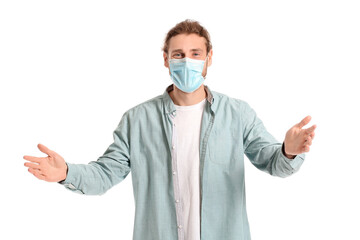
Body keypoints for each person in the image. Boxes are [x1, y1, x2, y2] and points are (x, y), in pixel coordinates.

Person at [23, 19, 316, 240]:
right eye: (178, 54)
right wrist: (66, 174)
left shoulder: (237, 114)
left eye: (195, 53)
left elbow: (274, 163)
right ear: (165, 59)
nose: (186, 61)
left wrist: (289, 151)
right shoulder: (136, 120)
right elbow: (104, 175)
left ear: (209, 58)